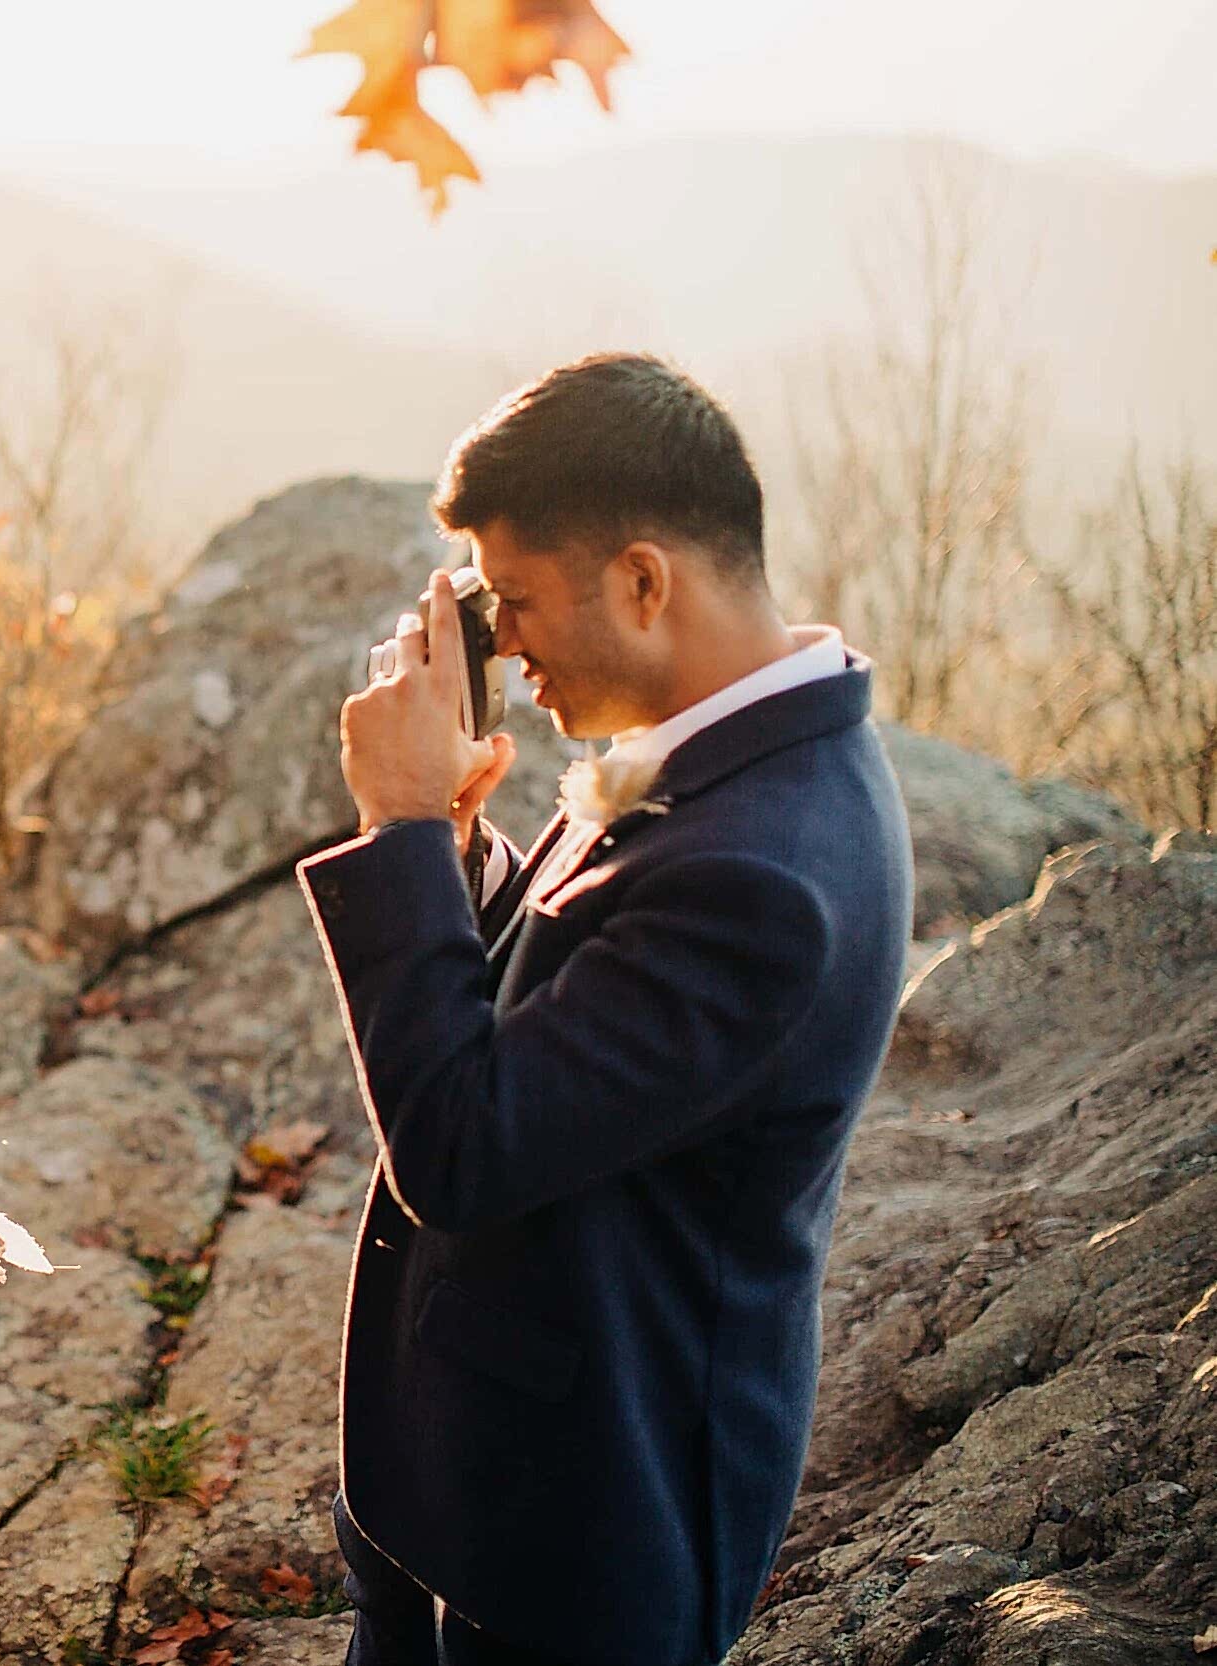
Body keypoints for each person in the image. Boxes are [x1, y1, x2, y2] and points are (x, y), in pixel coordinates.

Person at [297, 353, 914, 1665]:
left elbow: (464, 1150)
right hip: (472, 1487)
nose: (500, 645)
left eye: (513, 601)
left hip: (573, 1541)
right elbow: (594, 998)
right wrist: (460, 856)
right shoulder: (745, 760)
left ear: (644, 580)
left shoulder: (768, 870)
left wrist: (401, 825)